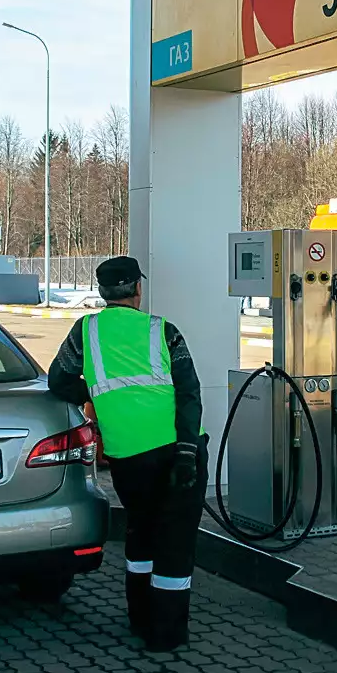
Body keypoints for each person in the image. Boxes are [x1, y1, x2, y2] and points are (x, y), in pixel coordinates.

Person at [47, 256, 207, 652]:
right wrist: (187, 452)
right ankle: (165, 634)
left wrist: (96, 398)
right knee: (174, 542)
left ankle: (139, 618)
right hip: (177, 452)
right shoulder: (162, 331)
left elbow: (58, 379)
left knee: (141, 532)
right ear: (138, 289)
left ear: (103, 293)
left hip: (126, 456)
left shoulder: (84, 332)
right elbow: (189, 393)